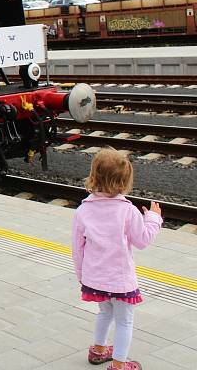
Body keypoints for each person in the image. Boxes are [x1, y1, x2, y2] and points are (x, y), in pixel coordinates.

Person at [72, 149, 162, 370]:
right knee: (124, 321)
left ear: (93, 176)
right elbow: (142, 240)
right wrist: (153, 218)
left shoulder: (83, 210)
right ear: (125, 181)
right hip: (120, 281)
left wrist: (83, 276)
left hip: (95, 279)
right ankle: (119, 365)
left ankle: (98, 350)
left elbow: (77, 248)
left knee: (105, 313)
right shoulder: (128, 211)